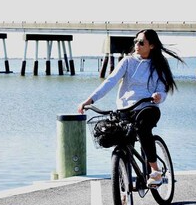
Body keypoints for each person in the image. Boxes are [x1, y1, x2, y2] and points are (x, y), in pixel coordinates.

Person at [78, 29, 183, 187]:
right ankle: (123, 196)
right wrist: (89, 100)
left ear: (152, 45)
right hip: (125, 109)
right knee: (121, 141)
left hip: (148, 107)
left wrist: (159, 96)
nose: (136, 45)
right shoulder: (127, 61)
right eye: (135, 41)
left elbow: (162, 88)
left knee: (142, 129)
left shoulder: (158, 64)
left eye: (141, 42)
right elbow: (110, 81)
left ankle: (155, 171)